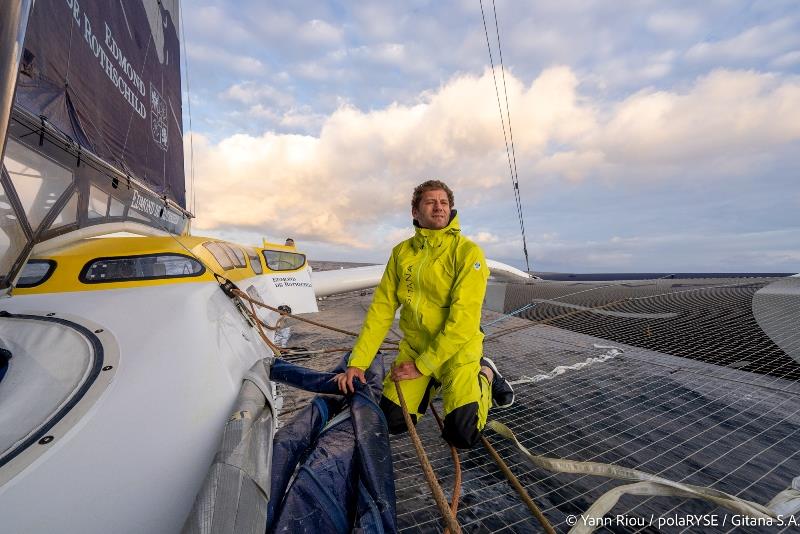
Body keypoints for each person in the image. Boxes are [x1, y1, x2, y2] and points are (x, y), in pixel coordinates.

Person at [336, 179, 514, 448]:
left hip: (458, 353)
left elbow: (463, 324)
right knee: (391, 421)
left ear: (451, 209)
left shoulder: (467, 253)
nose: (438, 207)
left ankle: (486, 373)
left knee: (463, 435)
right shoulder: (401, 253)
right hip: (417, 350)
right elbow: (381, 310)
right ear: (415, 212)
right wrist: (357, 363)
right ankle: (433, 381)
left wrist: (420, 368)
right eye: (430, 202)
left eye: (443, 203)